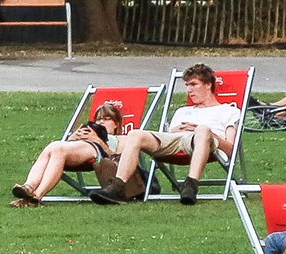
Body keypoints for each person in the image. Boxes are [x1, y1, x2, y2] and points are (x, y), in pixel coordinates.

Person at [101, 62, 237, 205]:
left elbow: (230, 149)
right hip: (175, 141)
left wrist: (204, 131)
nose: (189, 90)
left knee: (202, 130)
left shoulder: (228, 111)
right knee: (136, 134)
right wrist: (175, 131)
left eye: (194, 85)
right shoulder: (182, 111)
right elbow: (169, 137)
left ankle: (190, 186)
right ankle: (117, 187)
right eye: (187, 86)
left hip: (204, 141)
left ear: (208, 85)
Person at [10, 97, 130, 205]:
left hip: (96, 153)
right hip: (73, 150)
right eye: (98, 120)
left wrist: (97, 140)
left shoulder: (121, 139)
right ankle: (28, 188)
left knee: (58, 148)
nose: (101, 122)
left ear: (117, 124)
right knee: (54, 146)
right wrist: (73, 137)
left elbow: (117, 159)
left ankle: (37, 195)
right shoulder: (90, 131)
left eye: (106, 119)